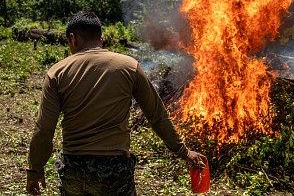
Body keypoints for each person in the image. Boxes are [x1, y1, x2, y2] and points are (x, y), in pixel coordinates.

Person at [26, 11, 205, 195]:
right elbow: (156, 115)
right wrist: (183, 152)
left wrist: (34, 170)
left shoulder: (57, 72)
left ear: (73, 38)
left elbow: (44, 129)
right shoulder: (129, 66)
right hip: (114, 171)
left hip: (73, 170)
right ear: (101, 38)